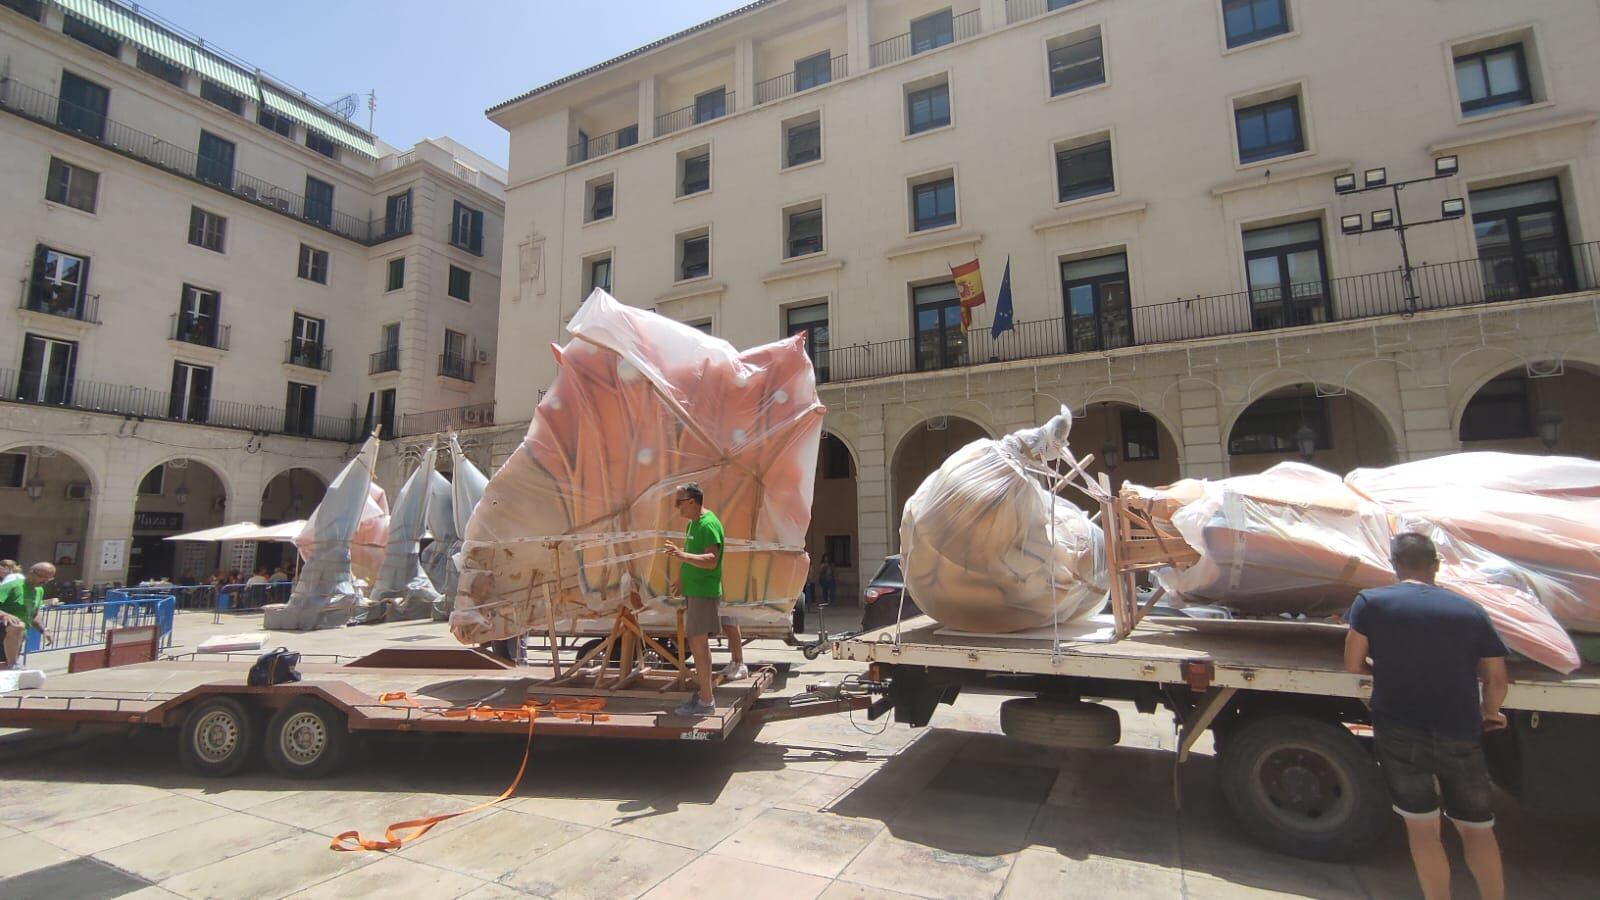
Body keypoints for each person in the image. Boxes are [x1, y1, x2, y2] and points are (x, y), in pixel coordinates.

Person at [1344, 532, 1508, 900]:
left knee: (1422, 829)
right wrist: (1491, 712)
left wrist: (1382, 673)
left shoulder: (1370, 602)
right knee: (1477, 828)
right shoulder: (1469, 610)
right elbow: (1496, 679)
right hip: (1460, 731)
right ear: (1436, 564)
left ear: (1393, 565)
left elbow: (1353, 663)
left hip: (1398, 730)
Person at [663, 482, 748, 717]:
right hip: (694, 590)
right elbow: (692, 553)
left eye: (678, 502)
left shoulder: (708, 524)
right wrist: (681, 578)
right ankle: (704, 695)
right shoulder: (693, 524)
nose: (676, 508)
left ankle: (706, 700)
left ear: (691, 501)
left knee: (699, 646)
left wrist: (682, 555)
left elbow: (711, 560)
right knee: (696, 644)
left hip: (703, 592)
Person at [1, 562, 56, 668]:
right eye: (42, 577)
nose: (44, 581)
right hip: (3, 631)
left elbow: (33, 614)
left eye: (48, 579)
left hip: (17, 638)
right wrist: (4, 615)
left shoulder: (39, 591)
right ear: (31, 573)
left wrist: (43, 629)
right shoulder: (13, 585)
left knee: (9, 670)